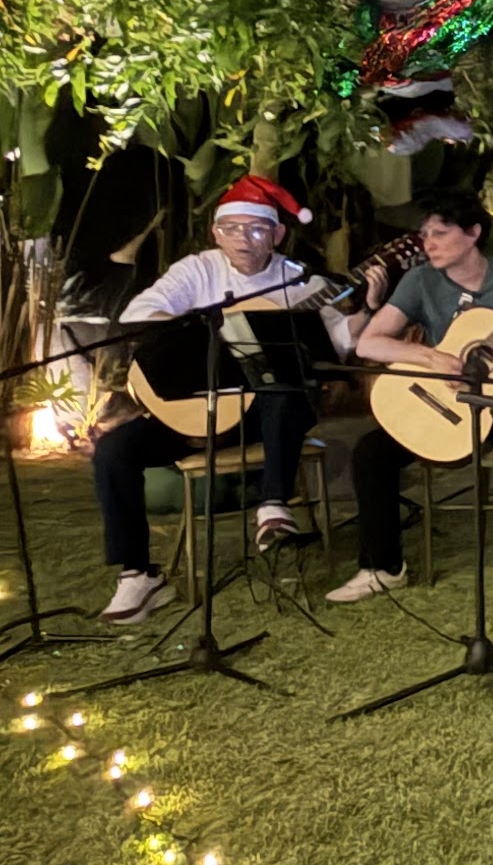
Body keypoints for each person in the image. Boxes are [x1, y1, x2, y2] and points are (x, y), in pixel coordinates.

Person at [92, 175, 371, 624]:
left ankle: (273, 508)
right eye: (233, 229)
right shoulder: (196, 270)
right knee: (114, 450)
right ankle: (138, 575)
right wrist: (216, 325)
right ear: (216, 233)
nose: (244, 239)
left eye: (257, 229)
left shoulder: (300, 280)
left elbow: (339, 345)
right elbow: (136, 315)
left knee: (283, 394)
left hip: (261, 418)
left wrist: (362, 309)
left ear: (277, 234)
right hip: (192, 412)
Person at [330, 188, 493, 603]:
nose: (427, 243)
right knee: (369, 452)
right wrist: (428, 356)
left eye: (438, 232)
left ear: (472, 233)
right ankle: (382, 568)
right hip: (442, 407)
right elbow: (370, 344)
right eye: (425, 234)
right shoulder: (420, 281)